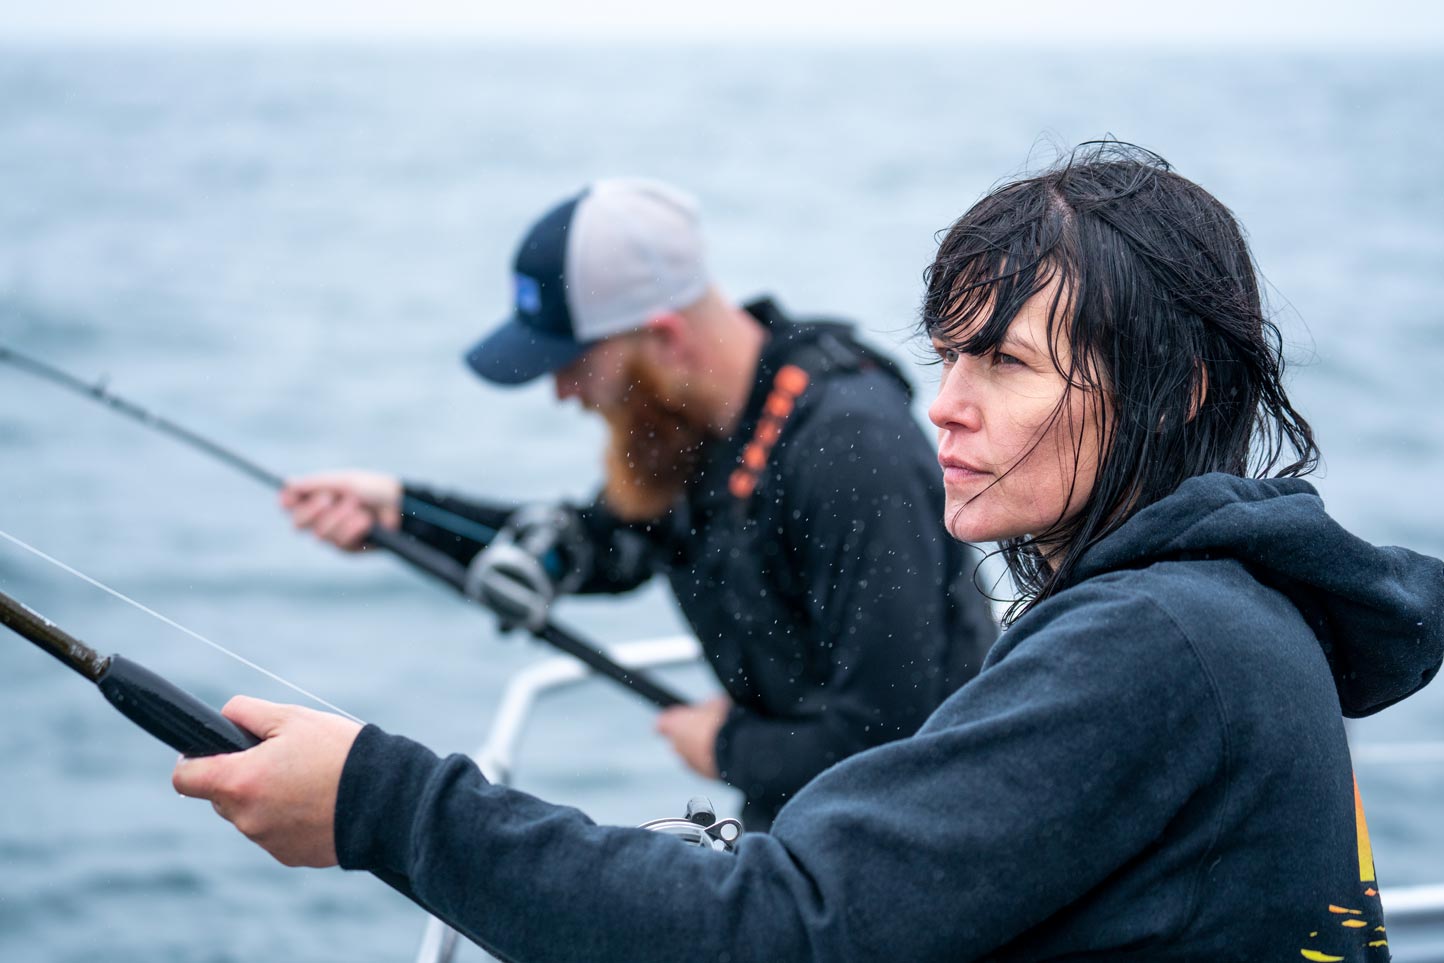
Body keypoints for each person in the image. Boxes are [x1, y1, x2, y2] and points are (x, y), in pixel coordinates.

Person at [174, 144, 1444, 961]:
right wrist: (402, 508)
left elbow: (796, 918)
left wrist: (383, 804)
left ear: (1174, 391)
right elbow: (605, 541)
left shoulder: (1149, 645)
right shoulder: (1212, 613)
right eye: (946, 356)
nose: (942, 406)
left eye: (1003, 362)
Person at [276, 177, 997, 831]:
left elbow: (890, 735)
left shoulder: (851, 447)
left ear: (664, 338)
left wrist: (727, 747)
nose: (562, 393)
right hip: (797, 824)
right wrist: (402, 513)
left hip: (917, 834)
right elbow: (598, 545)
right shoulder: (693, 426)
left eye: (575, 364)